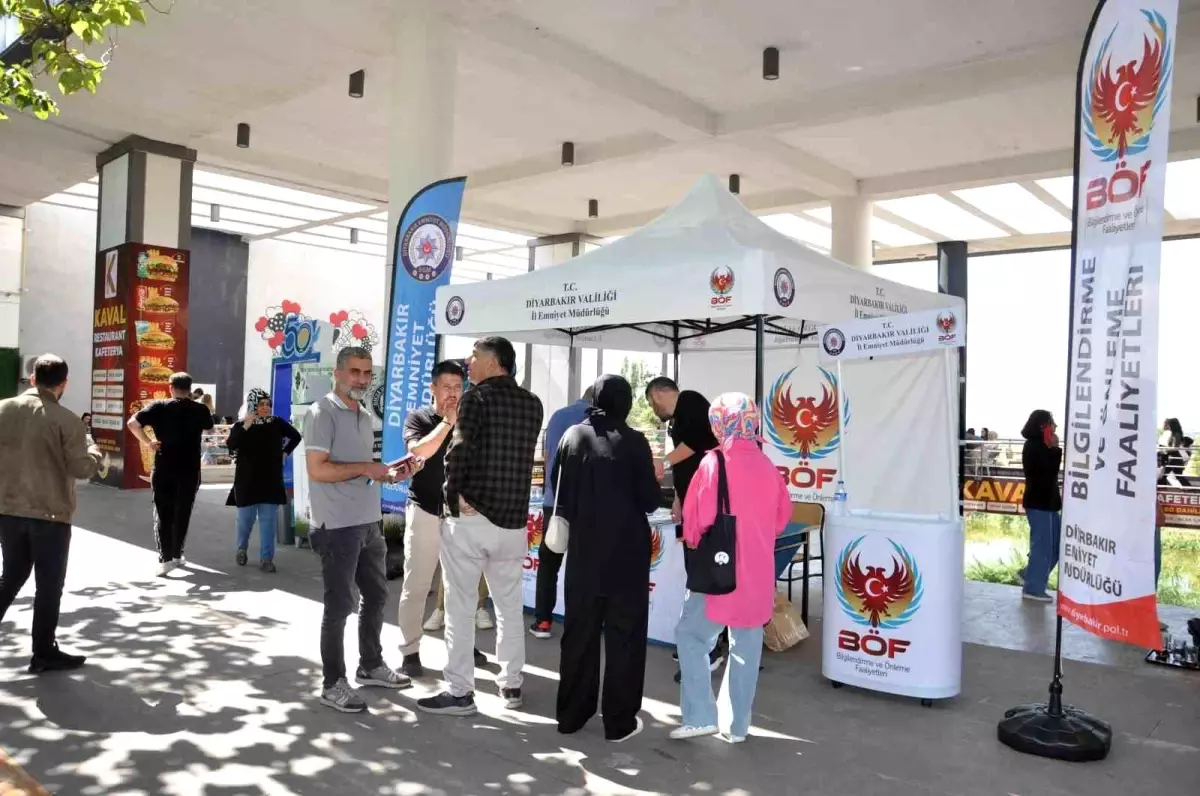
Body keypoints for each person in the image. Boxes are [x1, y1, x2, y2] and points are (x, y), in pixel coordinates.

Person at [417, 337, 543, 716]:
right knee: (507, 607)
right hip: (513, 520)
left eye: (473, 357)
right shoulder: (533, 404)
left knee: (460, 606)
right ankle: (512, 684)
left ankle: (459, 691)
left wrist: (451, 499)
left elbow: (460, 452)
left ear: (492, 361)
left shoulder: (476, 399)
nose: (468, 364)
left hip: (472, 520)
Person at [672, 393, 790, 744]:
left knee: (691, 637)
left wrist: (691, 538)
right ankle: (737, 727)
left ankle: (699, 716)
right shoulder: (768, 466)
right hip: (757, 574)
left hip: (718, 573)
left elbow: (696, 521)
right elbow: (782, 518)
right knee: (745, 647)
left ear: (720, 422)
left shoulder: (714, 462)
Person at [304, 346, 417, 712]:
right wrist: (366, 468)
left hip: (368, 521)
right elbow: (318, 470)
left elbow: (361, 470)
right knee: (339, 606)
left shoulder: (365, 414)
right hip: (336, 525)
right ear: (337, 373)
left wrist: (389, 472)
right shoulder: (321, 412)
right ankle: (333, 683)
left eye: (368, 373)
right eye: (355, 372)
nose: (362, 380)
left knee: (377, 597)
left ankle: (370, 665)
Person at [553, 375, 661, 742]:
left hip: (584, 552)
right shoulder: (634, 442)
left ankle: (571, 715)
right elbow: (649, 500)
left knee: (579, 634)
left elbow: (558, 490)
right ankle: (619, 722)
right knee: (625, 636)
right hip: (627, 555)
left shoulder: (571, 437)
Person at [0, 355, 103, 674]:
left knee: (12, 577)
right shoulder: (67, 420)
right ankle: (43, 651)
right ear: (63, 384)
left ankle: (45, 650)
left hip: (8, 509)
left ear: (32, 379)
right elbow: (79, 467)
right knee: (48, 585)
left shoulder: (3, 409)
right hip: (51, 515)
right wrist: (95, 453)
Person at [396, 359, 474, 678]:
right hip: (425, 511)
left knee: (461, 587)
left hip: (460, 516)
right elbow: (420, 453)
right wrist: (447, 423)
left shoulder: (470, 420)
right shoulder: (419, 418)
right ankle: (410, 650)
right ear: (433, 388)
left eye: (458, 388)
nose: (453, 394)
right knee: (417, 585)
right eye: (447, 388)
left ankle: (464, 647)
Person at [644, 376, 724, 677]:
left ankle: (711, 644)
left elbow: (694, 445)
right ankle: (697, 636)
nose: (654, 409)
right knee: (695, 572)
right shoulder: (675, 422)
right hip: (691, 504)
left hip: (708, 503)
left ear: (660, 392)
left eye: (654, 402)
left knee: (707, 573)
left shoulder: (691, 400)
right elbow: (683, 464)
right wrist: (678, 498)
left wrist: (661, 461)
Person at [128, 372, 215, 576]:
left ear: (170, 387)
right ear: (190, 389)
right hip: (190, 468)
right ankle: (177, 554)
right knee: (183, 511)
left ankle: (165, 559)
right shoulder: (200, 409)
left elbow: (132, 423)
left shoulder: (159, 406)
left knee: (163, 511)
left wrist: (149, 442)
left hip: (164, 466)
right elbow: (210, 430)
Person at [530, 384, 595, 640]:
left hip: (553, 502)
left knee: (548, 562)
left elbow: (547, 456)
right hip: (587, 505)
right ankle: (579, 624)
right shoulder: (597, 420)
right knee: (582, 565)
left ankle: (543, 621)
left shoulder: (558, 415)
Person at [225, 388, 302, 573]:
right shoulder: (241, 426)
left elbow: (296, 436)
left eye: (268, 404)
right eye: (261, 404)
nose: (266, 408)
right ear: (252, 405)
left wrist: (285, 452)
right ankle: (241, 549)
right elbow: (231, 446)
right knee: (245, 521)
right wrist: (246, 426)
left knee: (268, 523)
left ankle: (267, 559)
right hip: (246, 482)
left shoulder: (277, 423)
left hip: (271, 481)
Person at [1018, 409, 1062, 602]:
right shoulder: (1034, 447)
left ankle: (1029, 574)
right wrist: (1054, 448)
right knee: (1043, 547)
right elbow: (1048, 473)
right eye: (1052, 424)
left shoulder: (1041, 446)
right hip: (1039, 504)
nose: (1055, 427)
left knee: (1057, 547)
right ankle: (1033, 587)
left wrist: (1052, 448)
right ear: (1043, 426)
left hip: (1049, 504)